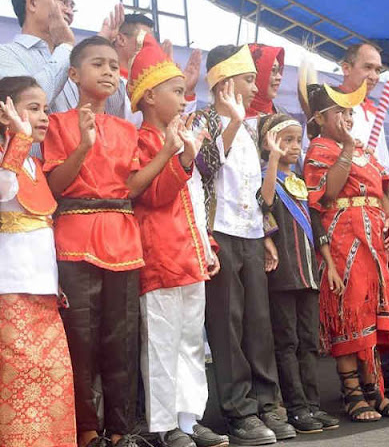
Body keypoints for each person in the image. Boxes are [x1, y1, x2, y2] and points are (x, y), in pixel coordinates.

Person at [42, 36, 172, 447]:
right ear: (75, 75)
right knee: (80, 340)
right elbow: (56, 186)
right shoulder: (58, 122)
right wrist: (83, 145)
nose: (109, 72)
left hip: (122, 237)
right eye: (98, 64)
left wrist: (166, 153)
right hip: (75, 237)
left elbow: (131, 188)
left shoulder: (124, 129)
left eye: (115, 66)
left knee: (122, 339)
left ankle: (121, 430)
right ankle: (85, 431)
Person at [128, 33, 229, 447]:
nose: (186, 98)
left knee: (190, 342)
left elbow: (193, 201)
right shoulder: (140, 142)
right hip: (158, 257)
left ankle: (189, 422)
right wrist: (183, 157)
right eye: (176, 91)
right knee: (162, 344)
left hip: (189, 256)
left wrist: (207, 246)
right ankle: (164, 426)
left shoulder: (183, 135)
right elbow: (151, 195)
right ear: (149, 97)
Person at [193, 44, 295, 446]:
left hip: (251, 235)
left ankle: (268, 402)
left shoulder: (253, 129)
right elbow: (204, 167)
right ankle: (239, 411)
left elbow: (256, 192)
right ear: (225, 82)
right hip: (217, 234)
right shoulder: (201, 120)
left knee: (258, 322)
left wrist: (267, 234)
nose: (255, 87)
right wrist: (232, 124)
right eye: (249, 79)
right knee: (227, 324)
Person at [303, 82, 389, 422]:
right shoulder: (319, 149)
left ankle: (375, 392)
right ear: (321, 118)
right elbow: (326, 194)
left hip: (376, 239)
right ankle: (352, 394)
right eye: (340, 112)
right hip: (342, 237)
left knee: (376, 310)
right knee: (349, 312)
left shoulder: (364, 149)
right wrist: (347, 148)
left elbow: (381, 189)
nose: (347, 118)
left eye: (350, 112)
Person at [0, 77, 76, 447]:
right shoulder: (12, 157)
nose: (44, 116)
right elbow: (3, 192)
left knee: (51, 373)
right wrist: (18, 140)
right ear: (6, 113)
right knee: (19, 374)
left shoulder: (32, 163)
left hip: (43, 286)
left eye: (46, 108)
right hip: (10, 285)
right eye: (33, 108)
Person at [257, 113, 341, 433]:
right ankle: (295, 407)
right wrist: (273, 161)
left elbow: (316, 227)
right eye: (286, 140)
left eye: (296, 140)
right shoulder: (267, 179)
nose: (294, 146)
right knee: (287, 341)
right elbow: (262, 207)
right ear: (268, 143)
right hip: (282, 274)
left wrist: (329, 265)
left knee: (308, 342)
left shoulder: (299, 183)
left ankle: (313, 405)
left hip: (307, 272)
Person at [0, 0, 124, 114]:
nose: (70, 12)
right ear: (32, 2)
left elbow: (113, 110)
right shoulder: (6, 55)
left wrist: (100, 49)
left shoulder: (71, 57)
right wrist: (66, 45)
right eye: (63, 1)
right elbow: (25, 107)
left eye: (72, 6)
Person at [112, 14, 202, 127]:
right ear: (121, 39)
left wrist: (184, 91)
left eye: (153, 42)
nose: (151, 46)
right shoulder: (108, 81)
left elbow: (177, 129)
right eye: (144, 39)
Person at [339, 42, 389, 172]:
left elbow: (385, 165)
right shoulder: (329, 105)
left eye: (378, 70)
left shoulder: (375, 113)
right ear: (346, 68)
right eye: (368, 67)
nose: (374, 77)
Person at [247, 44, 285, 117]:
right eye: (273, 70)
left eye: (279, 70)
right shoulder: (229, 117)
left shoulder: (281, 115)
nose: (279, 77)